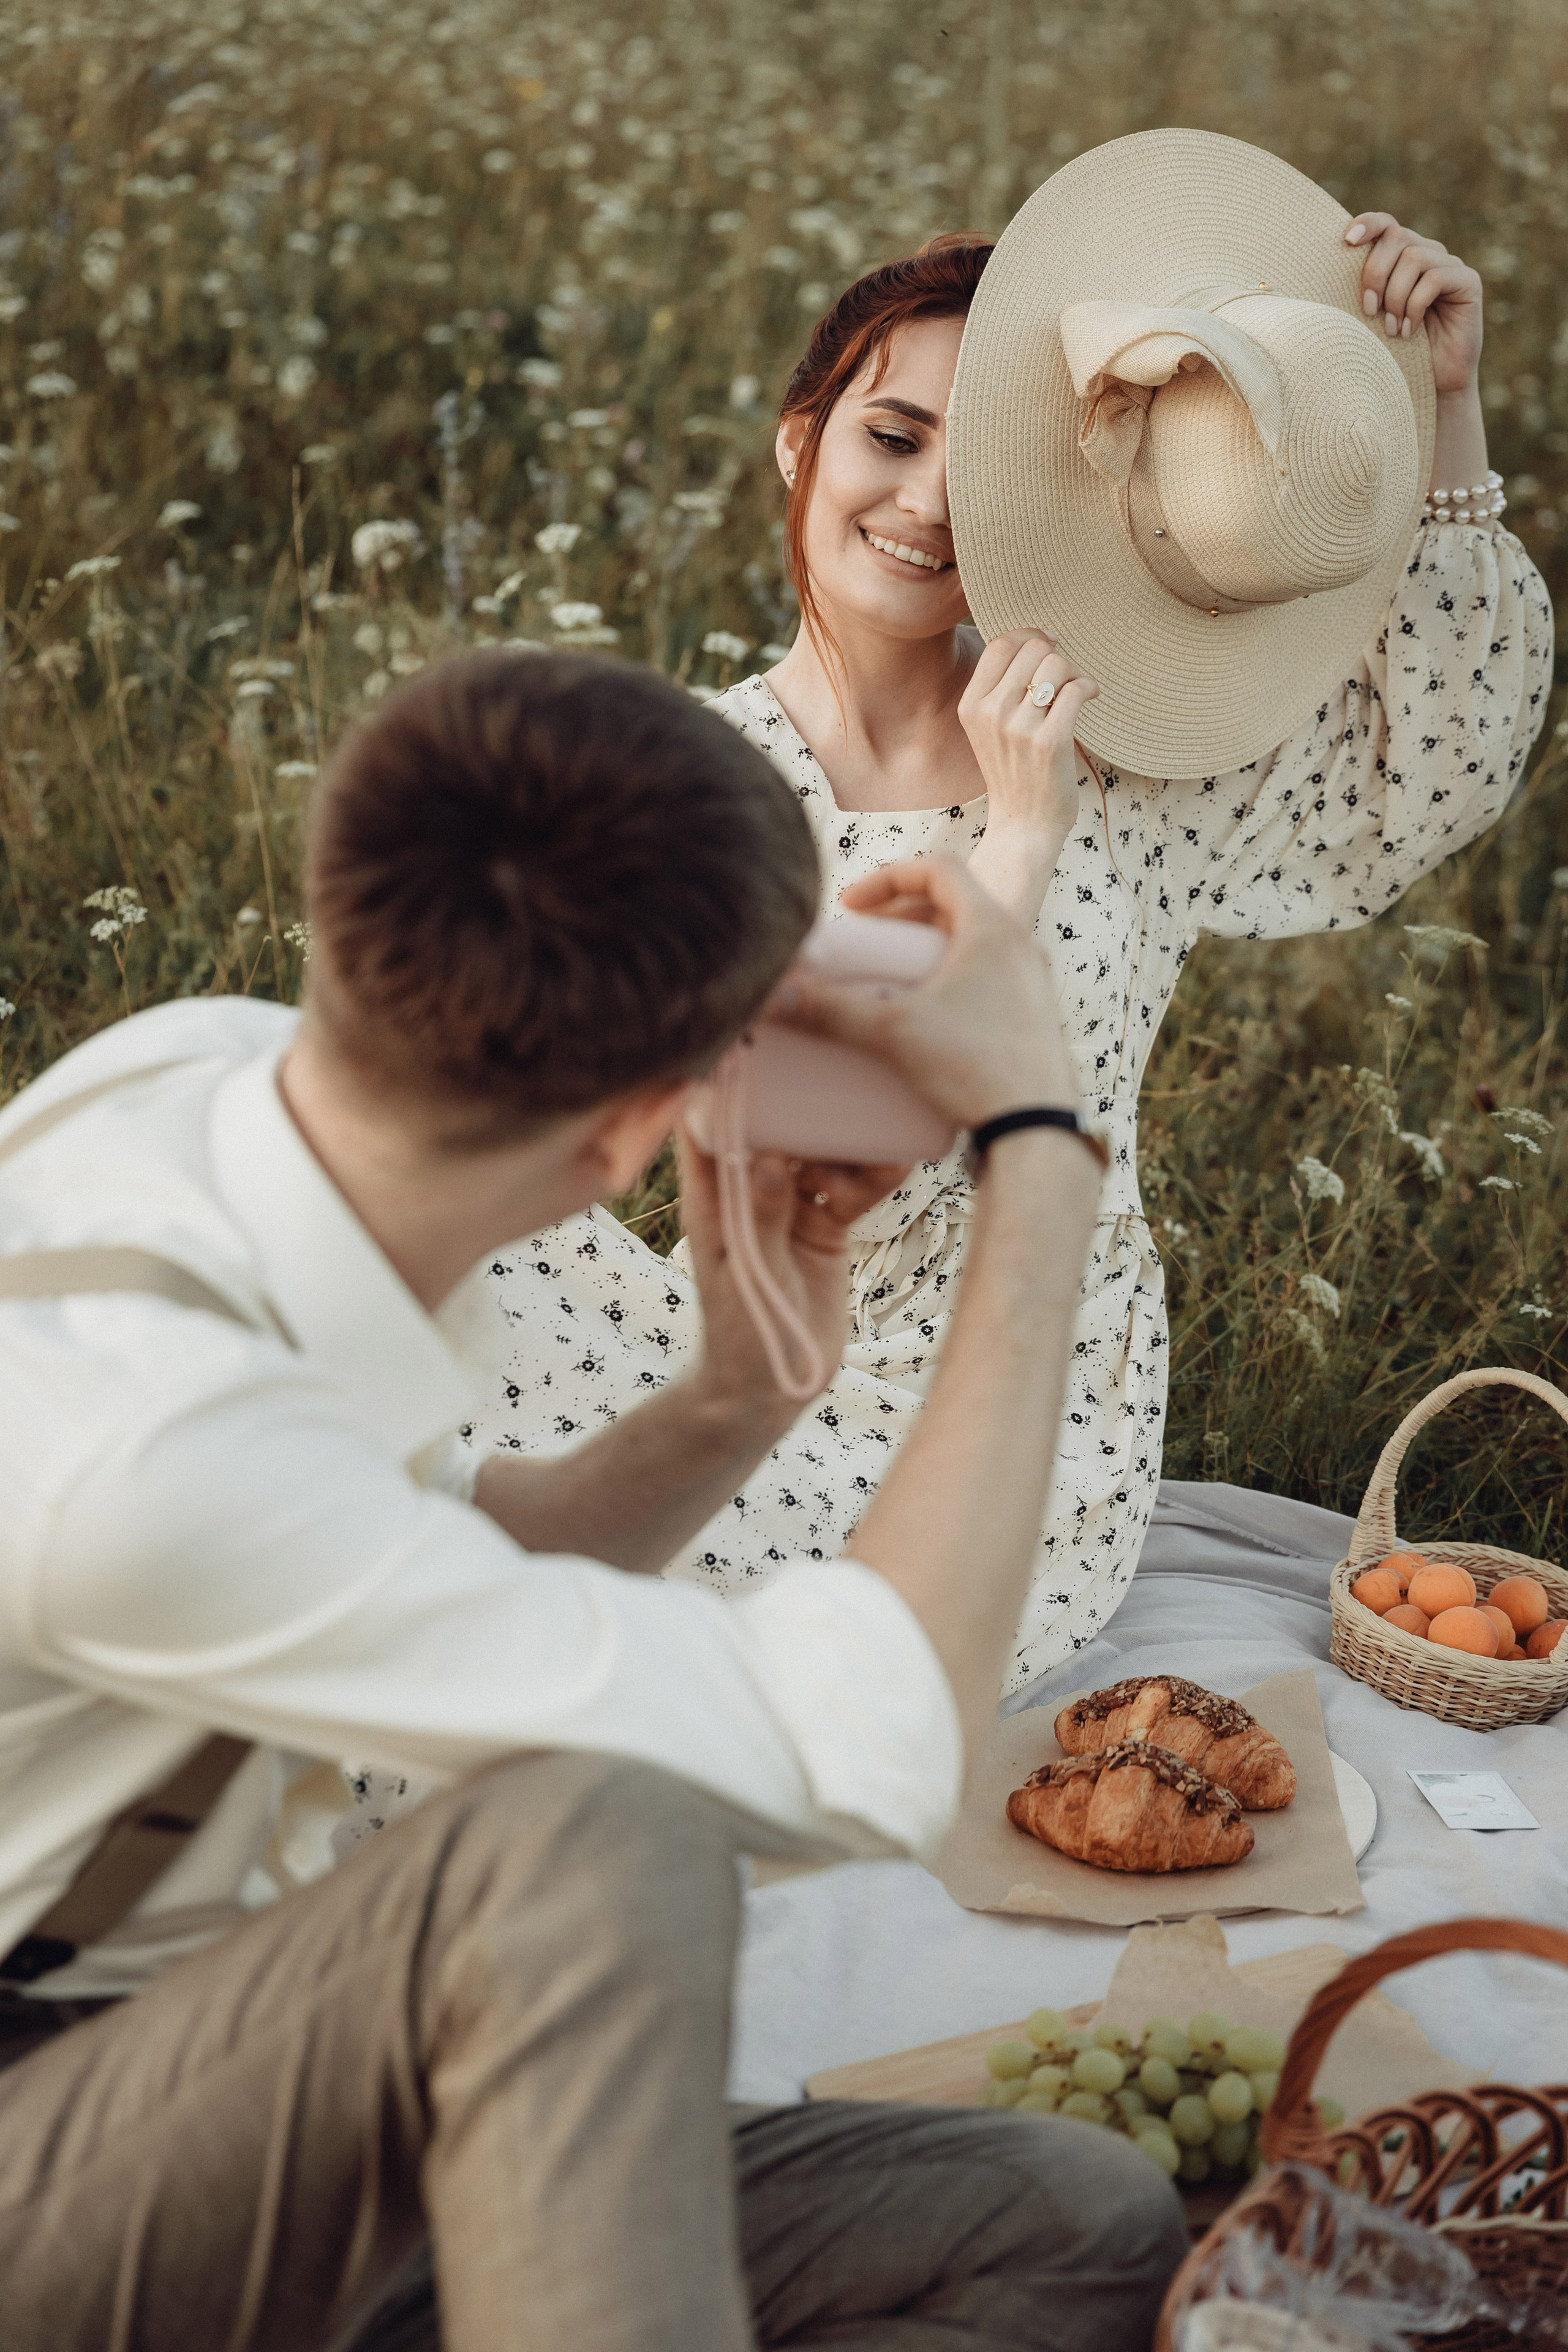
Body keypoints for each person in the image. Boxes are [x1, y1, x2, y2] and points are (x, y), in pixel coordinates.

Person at [0, 649, 1186, 2351]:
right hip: (51, 2127)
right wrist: (1040, 1149)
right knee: (590, 1834)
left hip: (244, 2059)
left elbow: (416, 1552)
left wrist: (738, 1395)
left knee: (1073, 2223)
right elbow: (881, 1739)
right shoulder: (147, 1459)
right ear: (640, 1134)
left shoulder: (212, 1075)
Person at [472, 129, 1553, 1690]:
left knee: (622, 1648)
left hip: (1027, 1400)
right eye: (889, 437)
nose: (923, 505)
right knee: (396, 1324)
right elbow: (812, 1196)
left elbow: (1424, 777)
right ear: (801, 444)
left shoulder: (1115, 746)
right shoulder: (697, 784)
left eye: (972, 466)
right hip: (772, 1354)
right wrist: (1011, 855)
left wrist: (1442, 406)